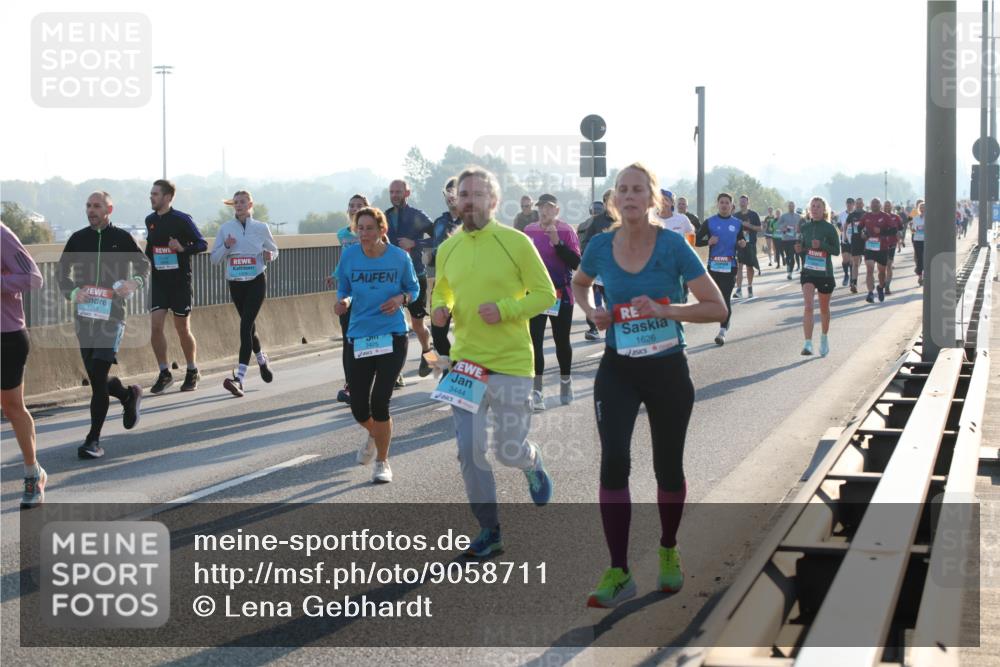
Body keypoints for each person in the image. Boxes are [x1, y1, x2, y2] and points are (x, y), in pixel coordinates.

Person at [571, 163, 727, 607]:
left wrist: (668, 311)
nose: (630, 196)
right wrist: (591, 311)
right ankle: (619, 570)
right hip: (618, 367)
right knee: (614, 460)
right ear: (614, 200)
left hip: (667, 369)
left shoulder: (674, 245)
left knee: (668, 467)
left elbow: (716, 308)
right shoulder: (600, 246)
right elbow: (578, 283)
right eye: (622, 190)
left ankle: (668, 549)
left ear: (653, 198)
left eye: (638, 189)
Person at [431, 166, 555, 558]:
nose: (469, 201)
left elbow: (545, 295)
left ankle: (531, 460)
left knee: (507, 450)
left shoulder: (515, 242)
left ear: (493, 201)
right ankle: (490, 529)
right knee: (469, 451)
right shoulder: (448, 247)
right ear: (456, 201)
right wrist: (440, 308)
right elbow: (444, 290)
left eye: (477, 194)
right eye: (463, 194)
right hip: (467, 364)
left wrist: (503, 309)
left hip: (512, 362)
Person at [58, 192, 149, 459]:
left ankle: (93, 440)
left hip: (113, 317)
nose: (91, 210)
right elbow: (61, 273)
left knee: (98, 376)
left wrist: (135, 282)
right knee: (97, 378)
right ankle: (127, 394)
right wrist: (73, 293)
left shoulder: (121, 238)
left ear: (109, 209)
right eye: (88, 205)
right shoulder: (78, 238)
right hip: (84, 319)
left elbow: (143, 264)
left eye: (97, 206)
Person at [334, 206, 419, 484]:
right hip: (359, 335)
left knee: (380, 401)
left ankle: (382, 462)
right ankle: (375, 433)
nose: (364, 234)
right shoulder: (349, 256)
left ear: (382, 230)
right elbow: (343, 288)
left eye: (370, 228)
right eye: (360, 228)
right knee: (359, 407)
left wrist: (400, 300)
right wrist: (344, 301)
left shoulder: (399, 258)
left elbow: (413, 289)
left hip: (391, 335)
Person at [210, 190, 279, 396]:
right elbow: (214, 259)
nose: (239, 205)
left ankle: (239, 378)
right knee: (249, 328)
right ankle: (261, 359)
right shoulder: (225, 229)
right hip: (236, 283)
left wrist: (269, 255)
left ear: (250, 204)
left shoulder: (260, 227)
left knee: (245, 325)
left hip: (256, 281)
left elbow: (274, 250)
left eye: (243, 202)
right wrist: (226, 246)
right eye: (236, 202)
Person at [145, 179, 207, 394]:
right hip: (159, 282)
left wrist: (182, 248)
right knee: (155, 327)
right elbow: (151, 247)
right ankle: (164, 372)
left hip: (180, 282)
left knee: (182, 329)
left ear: (168, 197)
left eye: (156, 194)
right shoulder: (150, 220)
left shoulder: (182, 219)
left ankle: (192, 370)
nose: (151, 197)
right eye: (151, 193)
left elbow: (202, 243)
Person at [523, 193, 582, 410]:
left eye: (549, 208)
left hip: (561, 294)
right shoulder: (529, 231)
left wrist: (558, 243)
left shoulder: (566, 231)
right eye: (541, 208)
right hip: (536, 294)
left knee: (561, 342)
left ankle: (565, 382)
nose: (544, 211)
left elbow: (576, 263)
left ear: (557, 210)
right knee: (535, 342)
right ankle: (537, 391)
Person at [2, 223, 46, 506]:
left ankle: (34, 472)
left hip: (6, 335)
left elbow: (33, 277)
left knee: (12, 406)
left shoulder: (2, 235)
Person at [385, 179, 435, 379]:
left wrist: (415, 242)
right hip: (391, 277)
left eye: (398, 191)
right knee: (389, 325)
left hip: (416, 275)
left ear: (407, 193)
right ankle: (394, 374)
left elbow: (438, 236)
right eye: (392, 192)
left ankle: (429, 355)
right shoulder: (385, 216)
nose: (395, 195)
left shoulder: (417, 215)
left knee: (417, 325)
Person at [330, 194, 367, 405]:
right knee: (348, 340)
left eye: (359, 206)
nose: (354, 209)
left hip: (368, 292)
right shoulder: (342, 234)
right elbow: (344, 260)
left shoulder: (375, 234)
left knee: (365, 338)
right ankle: (351, 384)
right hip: (346, 292)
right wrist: (334, 275)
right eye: (351, 206)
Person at [696, 193, 747, 345]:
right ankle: (723, 321)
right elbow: (697, 241)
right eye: (722, 202)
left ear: (731, 206)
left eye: (727, 203)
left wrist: (742, 243)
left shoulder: (737, 223)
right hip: (713, 267)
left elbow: (741, 239)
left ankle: (722, 331)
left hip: (730, 266)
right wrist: (708, 241)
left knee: (725, 298)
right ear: (717, 204)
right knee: (713, 299)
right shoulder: (710, 222)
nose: (724, 205)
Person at [796, 196, 840, 357]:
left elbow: (836, 251)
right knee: (808, 306)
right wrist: (799, 248)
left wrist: (821, 245)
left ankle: (823, 337)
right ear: (809, 209)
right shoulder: (805, 227)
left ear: (824, 210)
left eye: (818, 207)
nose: (815, 209)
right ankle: (807, 343)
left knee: (823, 308)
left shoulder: (829, 228)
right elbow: (804, 247)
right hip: (808, 271)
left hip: (825, 274)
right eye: (813, 206)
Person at [428, 179, 462, 367]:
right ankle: (450, 369)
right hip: (442, 283)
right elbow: (435, 250)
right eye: (447, 192)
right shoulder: (439, 222)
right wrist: (430, 257)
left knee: (466, 334)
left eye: (454, 192)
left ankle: (460, 373)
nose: (450, 196)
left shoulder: (471, 222)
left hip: (465, 283)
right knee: (437, 333)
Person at [580, 189, 617, 340]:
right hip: (599, 268)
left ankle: (613, 333)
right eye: (609, 200)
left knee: (613, 303)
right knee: (596, 301)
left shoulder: (625, 218)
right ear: (604, 203)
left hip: (618, 270)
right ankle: (593, 328)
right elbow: (586, 242)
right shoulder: (597, 220)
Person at [859, 197, 897, 303]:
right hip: (869, 247)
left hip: (882, 248)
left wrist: (881, 231)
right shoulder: (866, 216)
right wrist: (862, 234)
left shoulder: (886, 216)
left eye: (877, 203)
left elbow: (894, 230)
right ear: (870, 205)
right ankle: (870, 293)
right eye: (873, 203)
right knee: (869, 269)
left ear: (880, 205)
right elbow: (859, 228)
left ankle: (880, 287)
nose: (875, 205)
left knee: (881, 272)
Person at [733, 195, 763, 299]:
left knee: (750, 267)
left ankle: (750, 287)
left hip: (750, 244)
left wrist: (748, 225)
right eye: (741, 201)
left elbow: (760, 228)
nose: (742, 203)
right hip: (740, 243)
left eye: (744, 201)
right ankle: (739, 289)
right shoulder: (735, 215)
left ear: (747, 203)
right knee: (739, 266)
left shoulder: (754, 214)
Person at [845, 195, 866, 293]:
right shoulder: (852, 215)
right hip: (855, 240)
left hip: (866, 241)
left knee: (869, 263)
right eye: (857, 203)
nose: (858, 205)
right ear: (855, 205)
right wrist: (845, 235)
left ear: (863, 204)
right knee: (855, 263)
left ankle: (870, 280)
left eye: (860, 203)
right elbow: (846, 224)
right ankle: (854, 283)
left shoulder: (866, 214)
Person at [882, 199, 903, 294]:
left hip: (892, 243)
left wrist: (899, 242)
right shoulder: (879, 216)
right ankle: (882, 283)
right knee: (882, 266)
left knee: (889, 265)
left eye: (889, 205)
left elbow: (900, 230)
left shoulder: (896, 217)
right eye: (885, 205)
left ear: (892, 206)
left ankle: (887, 285)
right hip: (881, 245)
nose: (887, 207)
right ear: (883, 206)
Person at [777, 202, 802, 279]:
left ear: (794, 207)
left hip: (795, 239)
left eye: (792, 206)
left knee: (792, 256)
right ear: (788, 207)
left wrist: (800, 231)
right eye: (790, 206)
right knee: (788, 256)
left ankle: (790, 273)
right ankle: (788, 265)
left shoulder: (798, 216)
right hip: (786, 239)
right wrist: (783, 228)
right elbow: (778, 224)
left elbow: (802, 226)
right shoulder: (784, 216)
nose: (791, 207)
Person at [836, 198, 855, 287]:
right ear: (846, 204)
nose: (849, 205)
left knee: (852, 261)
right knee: (845, 260)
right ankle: (846, 275)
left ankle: (851, 278)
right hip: (844, 240)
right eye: (848, 204)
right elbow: (838, 223)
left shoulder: (856, 215)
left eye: (851, 204)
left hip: (854, 241)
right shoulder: (842, 214)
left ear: (853, 205)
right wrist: (840, 228)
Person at [911, 201, 926, 286]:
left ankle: (925, 275)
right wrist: (916, 230)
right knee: (919, 259)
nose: (922, 209)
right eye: (921, 207)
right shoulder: (915, 218)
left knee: (925, 258)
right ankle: (920, 277)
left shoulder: (929, 217)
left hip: (927, 240)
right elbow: (912, 229)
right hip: (917, 240)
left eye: (924, 207)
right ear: (919, 209)